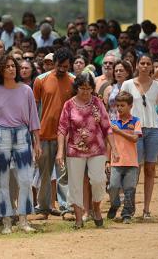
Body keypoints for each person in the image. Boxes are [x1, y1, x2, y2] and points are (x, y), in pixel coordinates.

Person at [0, 54, 41, 234]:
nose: (12, 69)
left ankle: (23, 220)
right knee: (1, 180)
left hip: (22, 134)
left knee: (26, 179)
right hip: (0, 134)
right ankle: (6, 221)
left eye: (14, 66)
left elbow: (34, 118)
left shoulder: (26, 90)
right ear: (0, 70)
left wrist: (37, 142)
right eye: (7, 66)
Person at [56, 72, 117, 229]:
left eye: (88, 88)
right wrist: (60, 151)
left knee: (98, 180)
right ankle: (78, 218)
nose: (85, 92)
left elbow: (106, 127)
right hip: (74, 150)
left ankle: (96, 208)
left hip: (97, 149)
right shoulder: (68, 105)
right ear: (77, 87)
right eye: (82, 88)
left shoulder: (98, 103)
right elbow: (62, 129)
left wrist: (114, 148)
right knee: (75, 184)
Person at [121, 54, 158, 220]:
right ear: (137, 65)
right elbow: (122, 110)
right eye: (142, 63)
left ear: (152, 67)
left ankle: (146, 209)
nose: (145, 66)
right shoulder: (127, 84)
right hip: (135, 131)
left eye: (148, 63)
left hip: (155, 129)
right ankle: (130, 208)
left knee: (150, 169)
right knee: (134, 169)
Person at [32, 48, 75, 219]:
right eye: (59, 65)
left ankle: (66, 208)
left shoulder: (73, 81)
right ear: (54, 62)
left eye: (66, 66)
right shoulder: (40, 80)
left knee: (64, 173)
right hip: (43, 134)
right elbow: (34, 110)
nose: (62, 69)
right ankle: (43, 208)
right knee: (44, 173)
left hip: (65, 136)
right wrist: (34, 137)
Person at [107, 91, 142, 224]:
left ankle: (126, 214)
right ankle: (115, 204)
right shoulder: (114, 122)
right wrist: (107, 160)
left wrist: (118, 131)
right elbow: (109, 143)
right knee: (113, 186)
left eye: (122, 105)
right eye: (118, 105)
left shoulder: (135, 121)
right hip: (116, 161)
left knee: (129, 189)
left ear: (130, 106)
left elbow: (134, 138)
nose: (119, 108)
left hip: (131, 162)